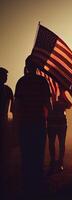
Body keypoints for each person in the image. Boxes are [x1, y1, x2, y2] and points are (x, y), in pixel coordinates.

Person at [14, 56, 52, 197]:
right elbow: (48, 105)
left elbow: (17, 107)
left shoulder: (21, 82)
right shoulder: (43, 82)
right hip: (39, 123)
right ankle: (38, 183)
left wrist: (15, 127)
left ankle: (27, 185)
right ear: (37, 67)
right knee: (38, 154)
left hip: (25, 123)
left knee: (27, 155)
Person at [47, 90, 72, 175]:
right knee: (52, 143)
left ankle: (60, 162)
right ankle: (53, 161)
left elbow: (69, 105)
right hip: (52, 122)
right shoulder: (48, 92)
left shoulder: (62, 94)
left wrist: (61, 102)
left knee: (61, 143)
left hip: (61, 123)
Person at [0, 67, 13, 197]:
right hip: (3, 122)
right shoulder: (8, 90)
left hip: (4, 122)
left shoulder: (8, 90)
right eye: (4, 75)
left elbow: (14, 108)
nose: (6, 77)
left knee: (4, 150)